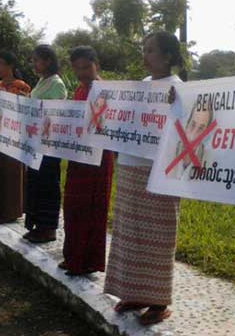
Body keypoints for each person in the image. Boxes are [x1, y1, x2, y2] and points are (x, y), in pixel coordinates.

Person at [104, 31, 184, 326]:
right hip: (129, 166)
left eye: (151, 50)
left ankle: (159, 301)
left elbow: (188, 128)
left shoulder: (179, 89)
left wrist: (179, 106)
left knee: (159, 235)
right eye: (144, 49)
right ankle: (135, 292)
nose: (145, 56)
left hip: (160, 172)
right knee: (130, 232)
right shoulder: (139, 87)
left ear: (168, 56)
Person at [59, 46, 114, 276]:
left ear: (96, 65)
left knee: (92, 208)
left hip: (98, 159)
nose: (82, 72)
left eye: (86, 67)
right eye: (77, 68)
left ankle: (87, 261)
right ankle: (72, 256)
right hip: (77, 156)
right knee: (72, 205)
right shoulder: (79, 90)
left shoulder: (106, 91)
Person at [0, 51, 31, 223]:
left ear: (10, 66)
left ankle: (9, 211)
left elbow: (26, 114)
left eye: (1, 63)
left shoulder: (22, 88)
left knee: (10, 173)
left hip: (12, 138)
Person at [24, 45, 68, 244]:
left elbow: (55, 113)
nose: (34, 64)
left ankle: (48, 228)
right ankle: (36, 224)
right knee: (35, 183)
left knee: (48, 184)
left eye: (37, 60)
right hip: (35, 143)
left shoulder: (57, 84)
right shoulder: (42, 81)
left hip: (49, 144)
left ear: (48, 61)